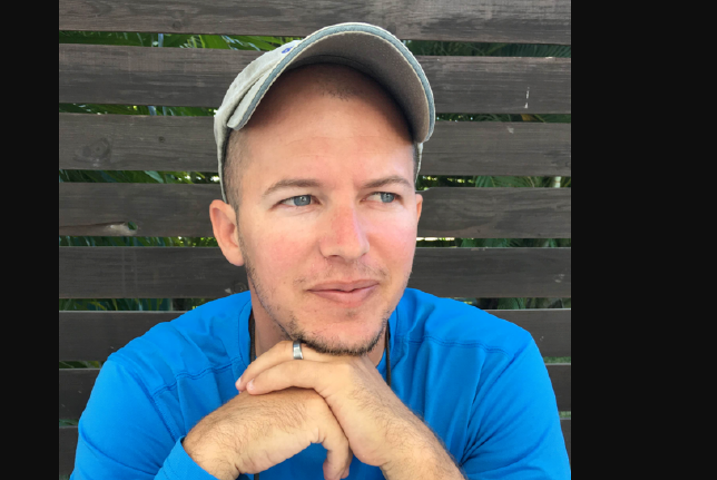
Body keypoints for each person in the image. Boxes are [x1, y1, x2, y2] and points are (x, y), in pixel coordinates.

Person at [71, 23, 570, 480]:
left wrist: (412, 452)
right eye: (300, 198)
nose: (349, 244)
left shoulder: (492, 368)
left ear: (415, 217)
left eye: (382, 195)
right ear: (232, 233)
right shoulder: (148, 389)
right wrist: (211, 452)